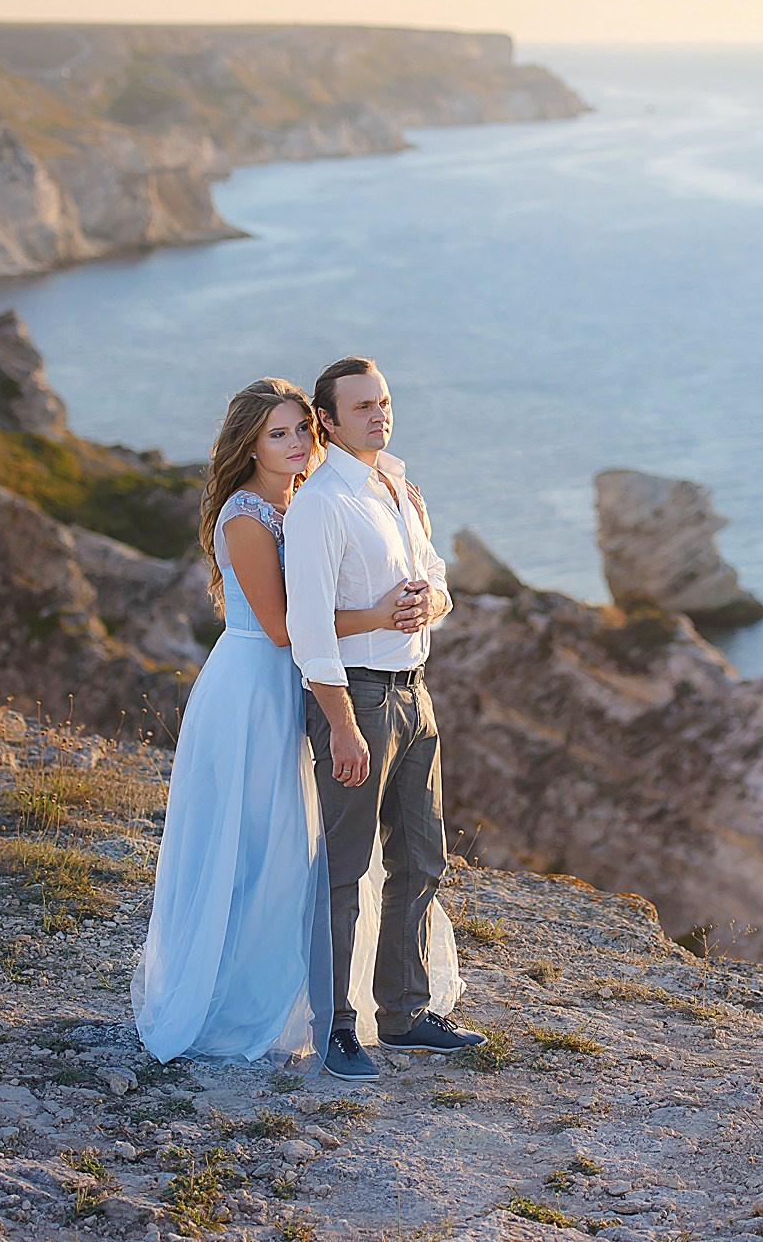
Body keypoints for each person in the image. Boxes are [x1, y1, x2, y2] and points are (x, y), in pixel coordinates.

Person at [132, 378, 444, 1064]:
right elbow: (280, 628)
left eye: (303, 428)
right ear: (250, 444)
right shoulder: (247, 517)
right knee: (258, 845)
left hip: (311, 676)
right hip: (257, 687)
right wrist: (382, 614)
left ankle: (324, 1000)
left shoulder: (312, 501)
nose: (299, 443)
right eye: (280, 433)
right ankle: (246, 1002)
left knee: (308, 846)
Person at [284, 357, 484, 1082]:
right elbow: (306, 629)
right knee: (345, 869)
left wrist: (430, 603)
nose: (380, 415)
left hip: (416, 691)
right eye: (363, 406)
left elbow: (438, 585)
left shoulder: (395, 485)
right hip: (357, 697)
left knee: (422, 856)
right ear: (327, 421)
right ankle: (336, 1025)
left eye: (386, 402)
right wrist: (339, 724)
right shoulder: (319, 505)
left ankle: (402, 1013)